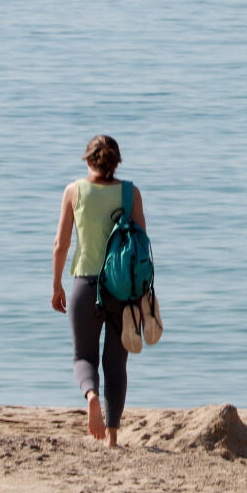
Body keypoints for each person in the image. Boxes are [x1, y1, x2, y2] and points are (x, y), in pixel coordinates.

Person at [51, 135, 145, 448]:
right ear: (116, 161)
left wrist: (56, 285)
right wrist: (145, 294)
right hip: (123, 289)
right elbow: (142, 247)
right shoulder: (131, 193)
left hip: (84, 284)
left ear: (88, 160)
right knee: (116, 363)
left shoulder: (74, 191)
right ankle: (114, 437)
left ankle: (90, 396)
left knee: (83, 356)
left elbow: (61, 245)